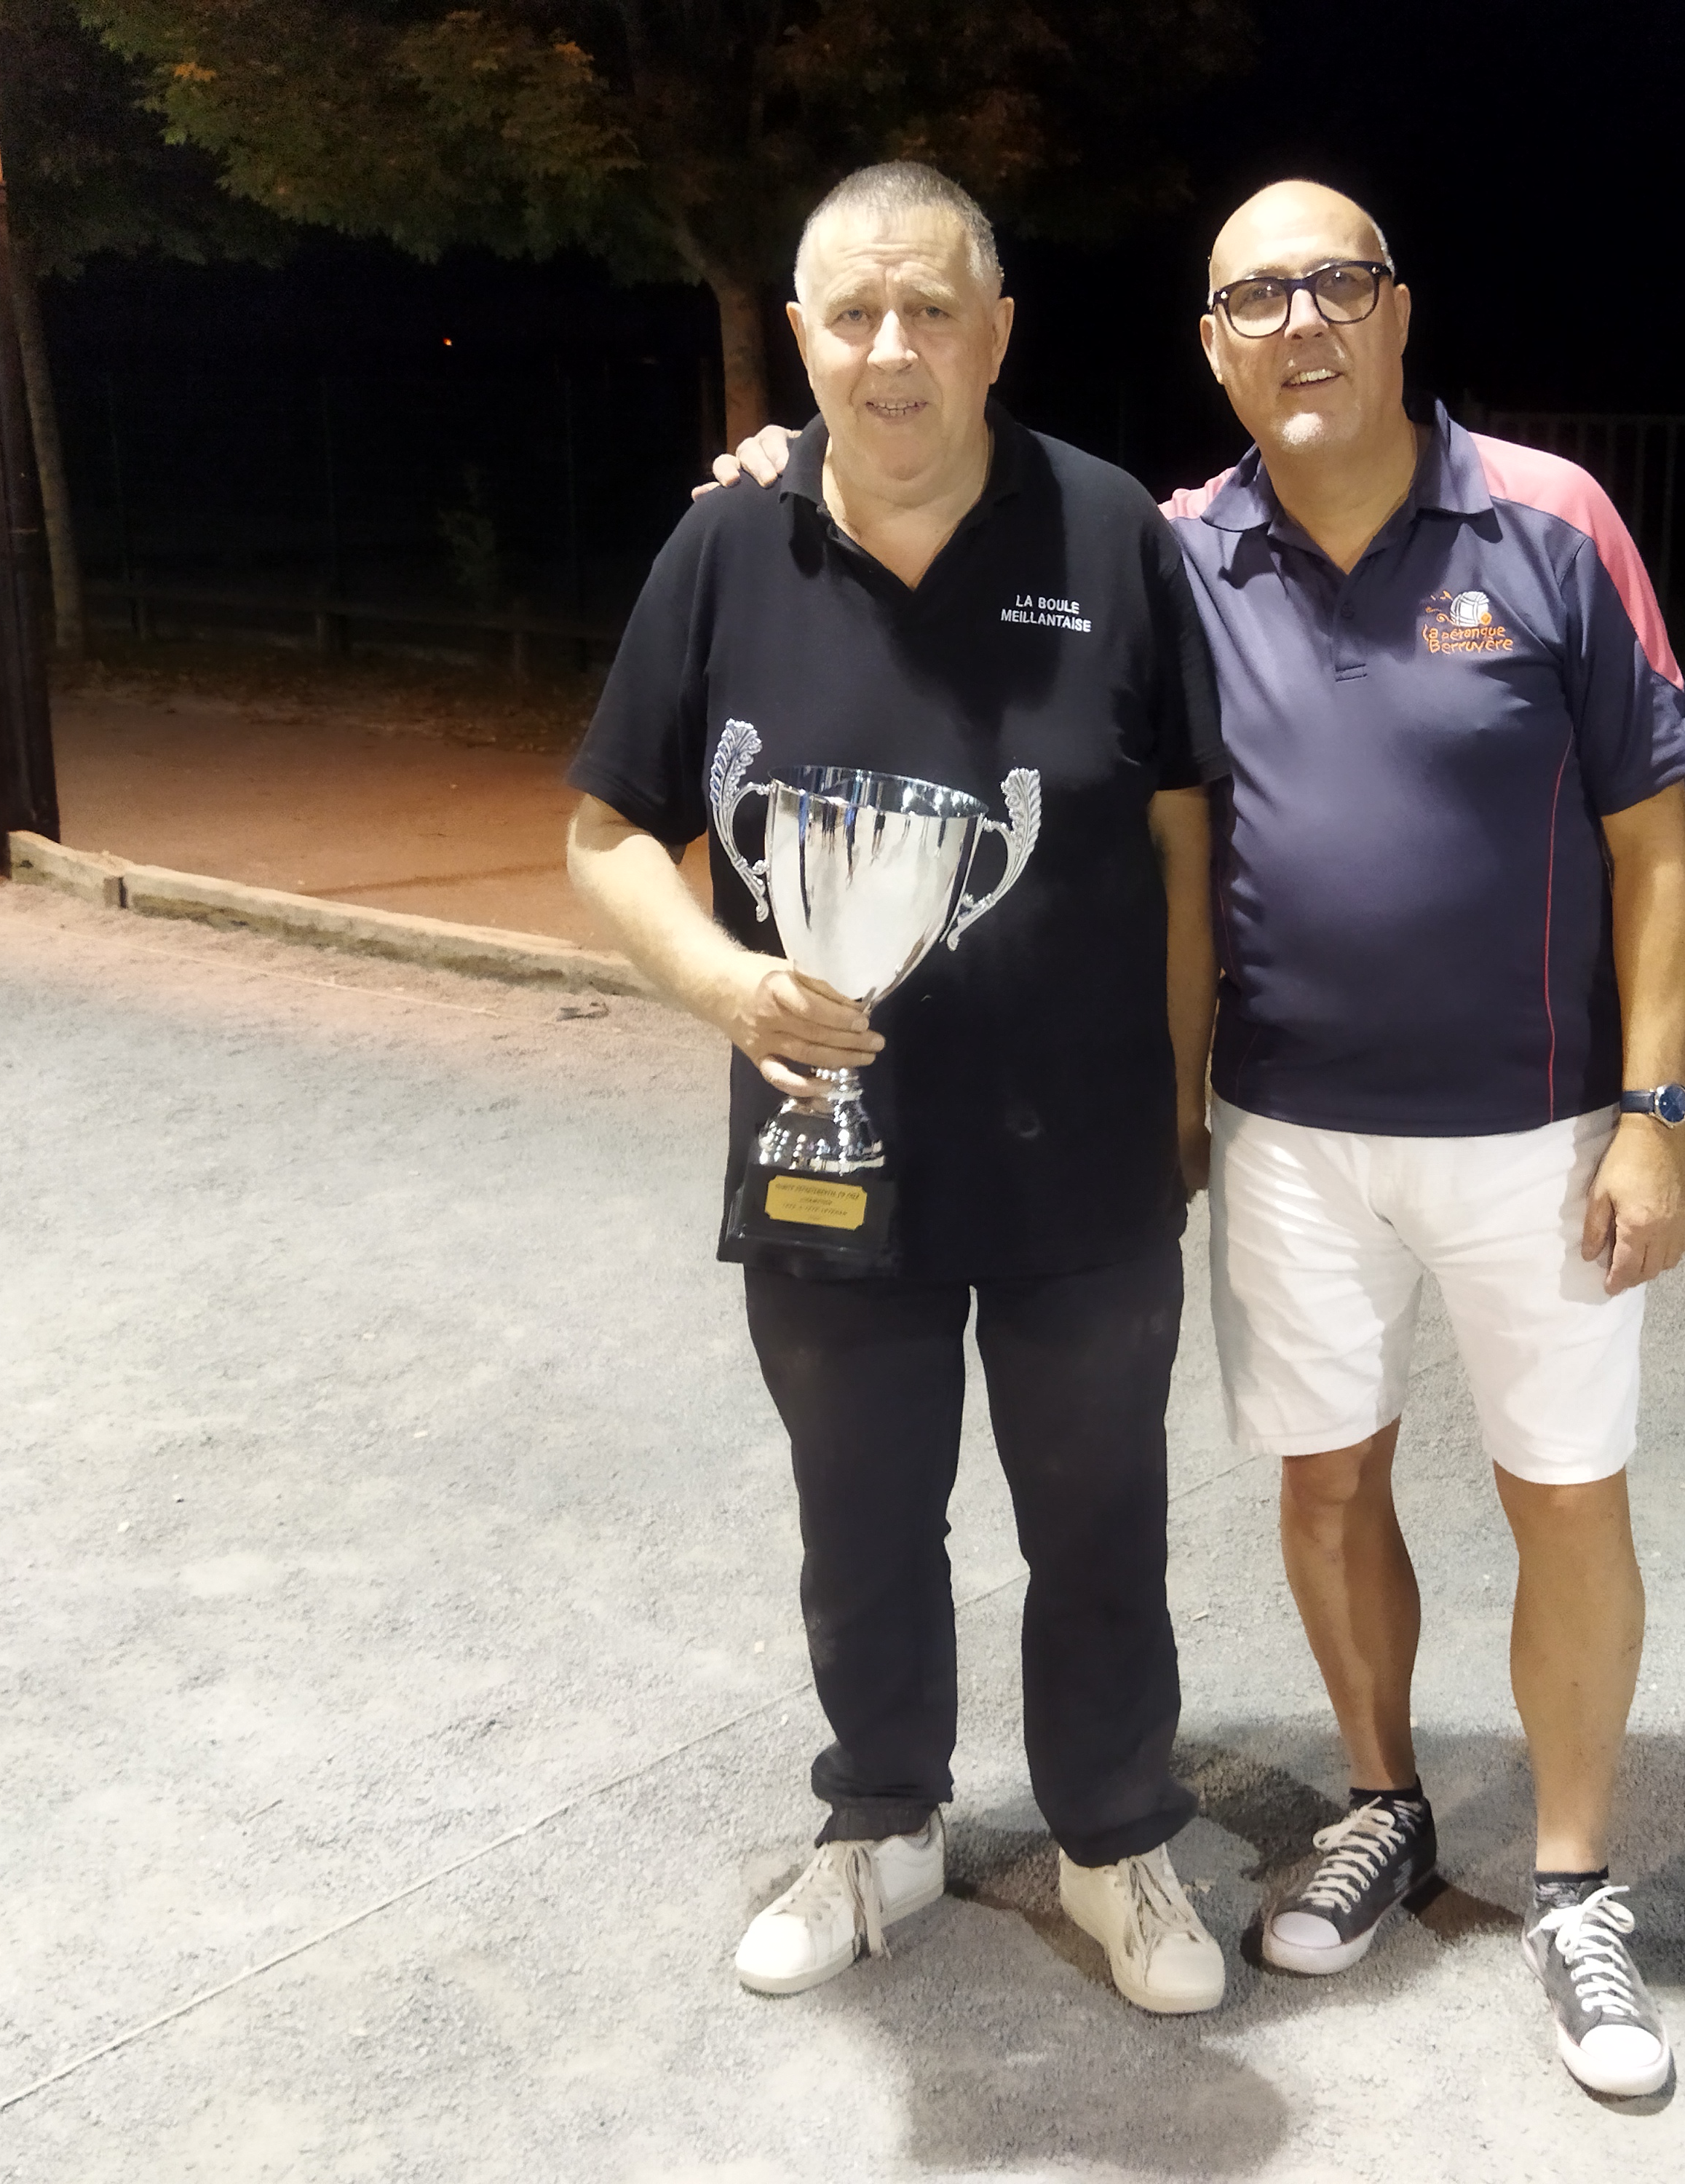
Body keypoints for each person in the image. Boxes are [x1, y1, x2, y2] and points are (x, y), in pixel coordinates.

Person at [706, 178, 1685, 2099]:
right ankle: (1387, 1797)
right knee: (1328, 1491)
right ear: (1212, 347)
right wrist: (786, 459)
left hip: (1540, 1126)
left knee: (1564, 1492)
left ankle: (1576, 1882)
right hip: (1284, 1132)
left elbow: (1655, 846)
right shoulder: (1179, 553)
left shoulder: (1553, 521)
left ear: (1400, 313)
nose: (1302, 324)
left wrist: (1656, 1113)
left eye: (1338, 285)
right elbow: (970, 534)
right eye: (1257, 297)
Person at [568, 161, 1232, 2017]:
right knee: (859, 1513)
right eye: (850, 314)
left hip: (1085, 1155)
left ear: (995, 331)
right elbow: (608, 832)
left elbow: (1185, 840)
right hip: (822, 1152)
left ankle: (1111, 1840)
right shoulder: (726, 547)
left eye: (930, 308)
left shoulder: (1112, 535)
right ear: (799, 340)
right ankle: (882, 1819)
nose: (889, 348)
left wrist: (1179, 1098)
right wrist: (712, 974)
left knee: (1096, 1517)